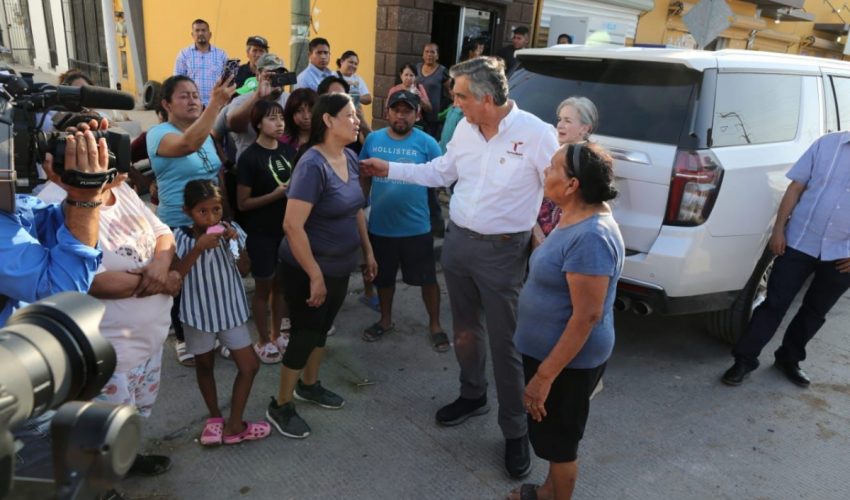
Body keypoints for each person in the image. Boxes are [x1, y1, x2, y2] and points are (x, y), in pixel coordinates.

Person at [360, 56, 559, 478]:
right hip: (459, 244)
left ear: (486, 98)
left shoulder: (538, 134)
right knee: (465, 330)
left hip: (504, 252)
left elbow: (560, 190)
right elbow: (440, 172)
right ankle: (473, 395)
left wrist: (557, 242)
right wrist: (390, 168)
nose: (454, 104)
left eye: (461, 97)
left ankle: (515, 430)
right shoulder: (466, 129)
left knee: (506, 344)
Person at [508, 142, 623, 500]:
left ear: (573, 185)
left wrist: (543, 378)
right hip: (553, 357)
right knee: (553, 437)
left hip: (565, 364)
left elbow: (587, 316)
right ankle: (547, 492)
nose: (545, 171)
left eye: (553, 167)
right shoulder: (575, 215)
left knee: (560, 444)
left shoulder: (592, 237)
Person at [266, 93, 377, 439]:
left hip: (340, 265)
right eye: (350, 115)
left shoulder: (350, 157)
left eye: (357, 115)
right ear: (328, 120)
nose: (357, 121)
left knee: (322, 328)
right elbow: (292, 225)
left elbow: (356, 209)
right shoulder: (312, 165)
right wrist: (315, 274)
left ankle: (309, 385)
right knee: (304, 333)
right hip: (307, 267)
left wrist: (368, 252)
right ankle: (281, 403)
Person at [3, 122, 110, 480]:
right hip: (15, 394)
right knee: (60, 478)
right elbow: (60, 291)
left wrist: (77, 187)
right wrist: (85, 198)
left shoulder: (10, 205)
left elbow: (45, 223)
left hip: (31, 366)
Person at [721, 132, 850, 388]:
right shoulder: (826, 144)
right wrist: (779, 229)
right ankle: (744, 360)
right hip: (800, 240)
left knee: (815, 311)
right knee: (774, 304)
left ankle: (788, 359)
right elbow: (796, 187)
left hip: (842, 255)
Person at [84, 173, 182, 477]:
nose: (124, 169)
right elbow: (94, 281)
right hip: (110, 353)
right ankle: (102, 482)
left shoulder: (121, 189)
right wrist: (162, 280)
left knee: (130, 420)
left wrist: (160, 266)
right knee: (104, 426)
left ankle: (125, 461)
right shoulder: (61, 202)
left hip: (149, 341)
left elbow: (163, 234)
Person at [172, 179, 271, 445]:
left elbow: (244, 269)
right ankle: (215, 419)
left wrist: (235, 244)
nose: (211, 217)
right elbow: (175, 277)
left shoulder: (232, 230)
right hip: (197, 315)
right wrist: (198, 248)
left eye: (215, 209)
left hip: (230, 311)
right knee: (205, 366)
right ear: (187, 211)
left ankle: (235, 423)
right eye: (202, 211)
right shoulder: (178, 237)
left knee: (250, 366)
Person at [148, 74, 236, 366]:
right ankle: (183, 337)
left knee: (212, 281)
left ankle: (215, 334)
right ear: (166, 104)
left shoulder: (206, 133)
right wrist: (216, 104)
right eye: (184, 96)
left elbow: (216, 173)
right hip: (177, 223)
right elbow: (187, 144)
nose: (193, 101)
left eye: (196, 95)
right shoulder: (159, 133)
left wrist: (226, 214)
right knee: (180, 281)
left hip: (211, 219)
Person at [359, 90, 448, 351]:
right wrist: (360, 205)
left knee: (428, 279)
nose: (401, 115)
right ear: (387, 112)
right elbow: (364, 175)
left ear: (417, 114)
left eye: (407, 111)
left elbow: (440, 178)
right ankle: (385, 320)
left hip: (417, 228)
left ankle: (435, 325)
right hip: (380, 227)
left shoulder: (428, 143)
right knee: (384, 280)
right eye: (396, 110)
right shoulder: (373, 140)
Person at [236, 100, 295, 364]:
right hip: (261, 232)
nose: (279, 123)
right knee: (263, 286)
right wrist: (275, 195)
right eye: (272, 118)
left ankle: (276, 334)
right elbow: (243, 203)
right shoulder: (249, 157)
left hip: (286, 229)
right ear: (258, 123)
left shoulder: (288, 151)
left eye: (281, 118)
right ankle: (262, 340)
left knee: (281, 285)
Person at [534, 97, 599, 245]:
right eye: (560, 119)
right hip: (536, 231)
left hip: (567, 238)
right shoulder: (549, 150)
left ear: (585, 128)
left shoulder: (591, 162)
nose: (560, 125)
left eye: (567, 121)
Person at [226, 53, 291, 161]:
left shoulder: (290, 100)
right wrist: (258, 97)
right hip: (251, 164)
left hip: (282, 163)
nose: (276, 78)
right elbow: (233, 126)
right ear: (258, 75)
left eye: (280, 73)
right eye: (270, 74)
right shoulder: (240, 101)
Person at [173, 19, 228, 106]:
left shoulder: (221, 54)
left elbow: (227, 80)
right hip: (192, 105)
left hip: (216, 105)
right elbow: (177, 81)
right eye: (197, 30)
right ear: (192, 35)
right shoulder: (184, 54)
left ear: (210, 34)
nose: (200, 33)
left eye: (203, 30)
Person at [416, 42, 451, 139]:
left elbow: (450, 92)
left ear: (437, 56)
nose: (429, 54)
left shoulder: (442, 71)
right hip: (418, 116)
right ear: (423, 54)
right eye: (426, 52)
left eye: (432, 52)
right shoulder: (417, 68)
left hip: (434, 118)